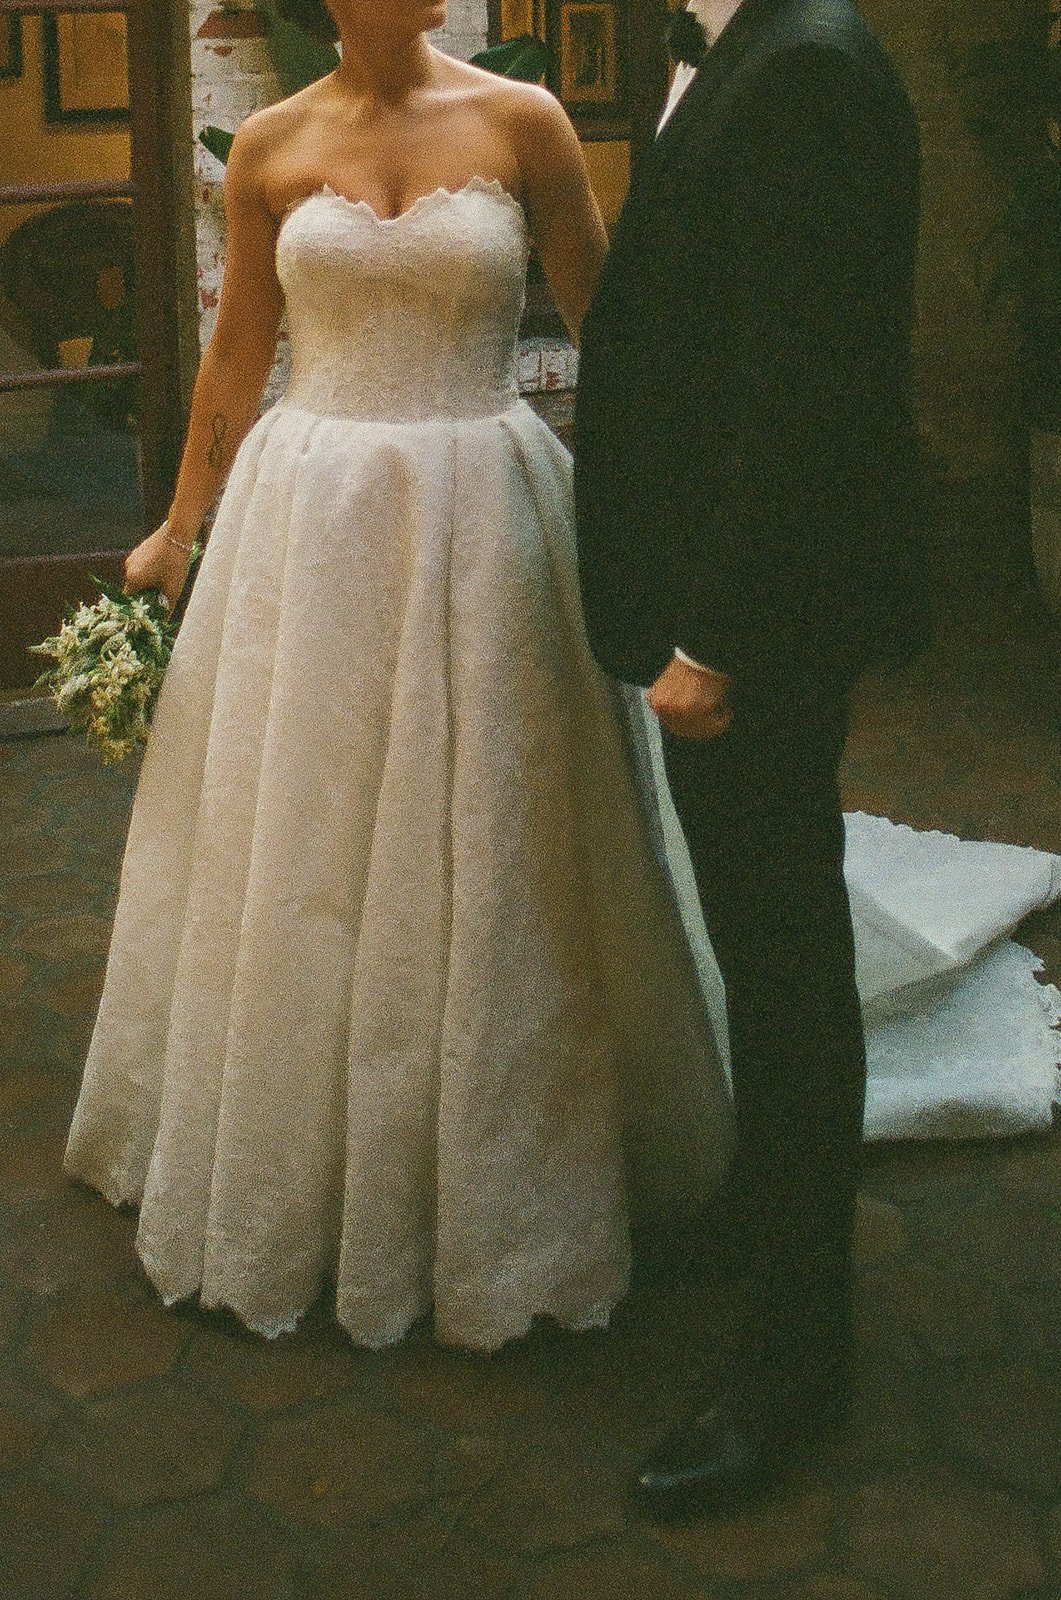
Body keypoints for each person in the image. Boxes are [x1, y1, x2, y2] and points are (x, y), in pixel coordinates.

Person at [62, 0, 735, 1354]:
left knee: (498, 828)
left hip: (489, 512)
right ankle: (298, 1155)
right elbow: (237, 357)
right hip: (312, 525)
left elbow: (620, 338)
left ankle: (514, 1168)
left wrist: (684, 538)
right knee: (304, 832)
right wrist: (178, 533)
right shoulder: (269, 144)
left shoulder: (522, 120)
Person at [574, 0, 930, 1518]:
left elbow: (806, 396)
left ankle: (795, 1358)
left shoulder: (806, 69)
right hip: (720, 603)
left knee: (785, 969)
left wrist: (716, 636)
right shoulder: (735, 49)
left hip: (759, 622)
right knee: (757, 939)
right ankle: (770, 1217)